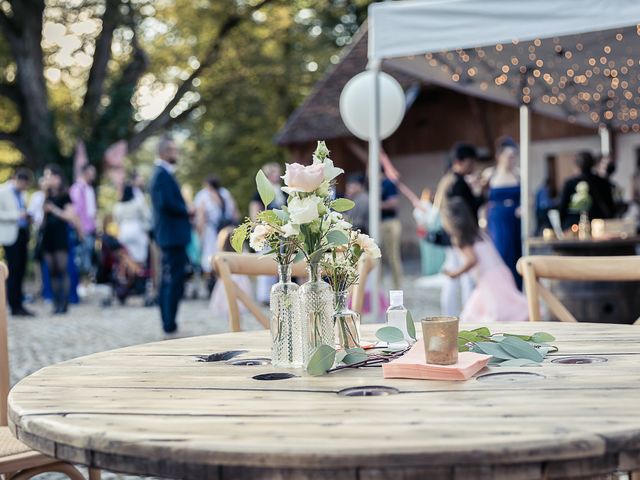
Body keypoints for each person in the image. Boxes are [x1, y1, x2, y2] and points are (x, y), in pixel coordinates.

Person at [441, 197, 528, 323]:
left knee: (498, 315)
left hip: (489, 279)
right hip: (501, 272)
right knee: (479, 313)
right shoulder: (477, 233)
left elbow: (472, 260)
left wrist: (455, 273)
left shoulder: (462, 239)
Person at [433, 143, 483, 316]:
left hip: (452, 234)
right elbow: (463, 212)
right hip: (459, 235)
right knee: (465, 277)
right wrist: (481, 193)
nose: (473, 166)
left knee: (454, 275)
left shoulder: (447, 180)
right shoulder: (457, 183)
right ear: (461, 161)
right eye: (471, 162)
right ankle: (467, 316)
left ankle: (452, 314)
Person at [149, 136, 192, 334]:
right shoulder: (161, 175)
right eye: (173, 150)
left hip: (173, 235)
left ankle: (170, 321)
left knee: (173, 278)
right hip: (171, 236)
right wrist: (187, 210)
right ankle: (169, 322)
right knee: (171, 280)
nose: (177, 154)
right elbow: (167, 204)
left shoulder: (164, 174)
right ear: (164, 152)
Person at [40, 165, 82, 314]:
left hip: (60, 235)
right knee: (51, 270)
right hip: (48, 236)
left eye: (50, 175)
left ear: (58, 177)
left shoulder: (65, 195)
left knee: (62, 270)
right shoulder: (46, 195)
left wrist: (54, 210)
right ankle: (55, 302)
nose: (48, 179)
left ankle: (64, 303)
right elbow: (42, 219)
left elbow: (70, 216)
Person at [483, 137, 522, 289]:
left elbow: (528, 198)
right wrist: (482, 220)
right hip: (497, 219)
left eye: (514, 157)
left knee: (515, 254)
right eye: (509, 156)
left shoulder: (519, 174)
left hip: (515, 220)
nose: (512, 160)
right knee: (500, 253)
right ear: (499, 156)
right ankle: (501, 289)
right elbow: (483, 200)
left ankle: (516, 289)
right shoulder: (490, 174)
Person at [249, 162, 285, 304]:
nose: (278, 175)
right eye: (275, 172)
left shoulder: (282, 191)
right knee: (265, 260)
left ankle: (277, 293)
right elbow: (255, 213)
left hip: (280, 232)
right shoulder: (259, 193)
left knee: (278, 262)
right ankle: (264, 296)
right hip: (266, 231)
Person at [0, 169, 34, 316]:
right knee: (13, 271)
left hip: (22, 234)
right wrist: (17, 215)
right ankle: (13, 304)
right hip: (10, 236)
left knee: (21, 270)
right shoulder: (3, 192)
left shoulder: (23, 194)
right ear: (17, 180)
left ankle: (19, 303)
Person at [195, 176, 237, 283]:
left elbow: (201, 217)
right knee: (225, 254)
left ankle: (211, 282)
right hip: (226, 229)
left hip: (211, 230)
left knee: (209, 256)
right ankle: (223, 279)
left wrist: (199, 234)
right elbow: (234, 212)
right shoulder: (225, 193)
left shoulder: (203, 196)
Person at [558, 151, 615, 228]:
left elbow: (562, 207)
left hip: (575, 226)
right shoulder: (602, 182)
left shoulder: (570, 183)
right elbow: (610, 206)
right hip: (598, 225)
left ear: (576, 165)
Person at [69, 164, 97, 277]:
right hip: (81, 229)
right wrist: (80, 229)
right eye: (92, 172)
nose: (94, 175)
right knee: (80, 258)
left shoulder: (89, 189)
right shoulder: (77, 188)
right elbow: (76, 211)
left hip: (90, 228)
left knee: (88, 257)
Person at [114, 185, 152, 264]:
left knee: (128, 254)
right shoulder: (138, 203)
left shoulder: (118, 206)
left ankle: (131, 272)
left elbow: (117, 221)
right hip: (136, 229)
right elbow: (146, 216)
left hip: (124, 230)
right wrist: (147, 229)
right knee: (140, 255)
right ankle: (140, 272)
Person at [380, 169, 403, 289]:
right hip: (380, 223)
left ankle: (397, 288)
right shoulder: (373, 185)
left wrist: (377, 204)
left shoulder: (388, 183)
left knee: (393, 257)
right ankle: (379, 289)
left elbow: (393, 202)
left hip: (390, 222)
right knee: (379, 257)